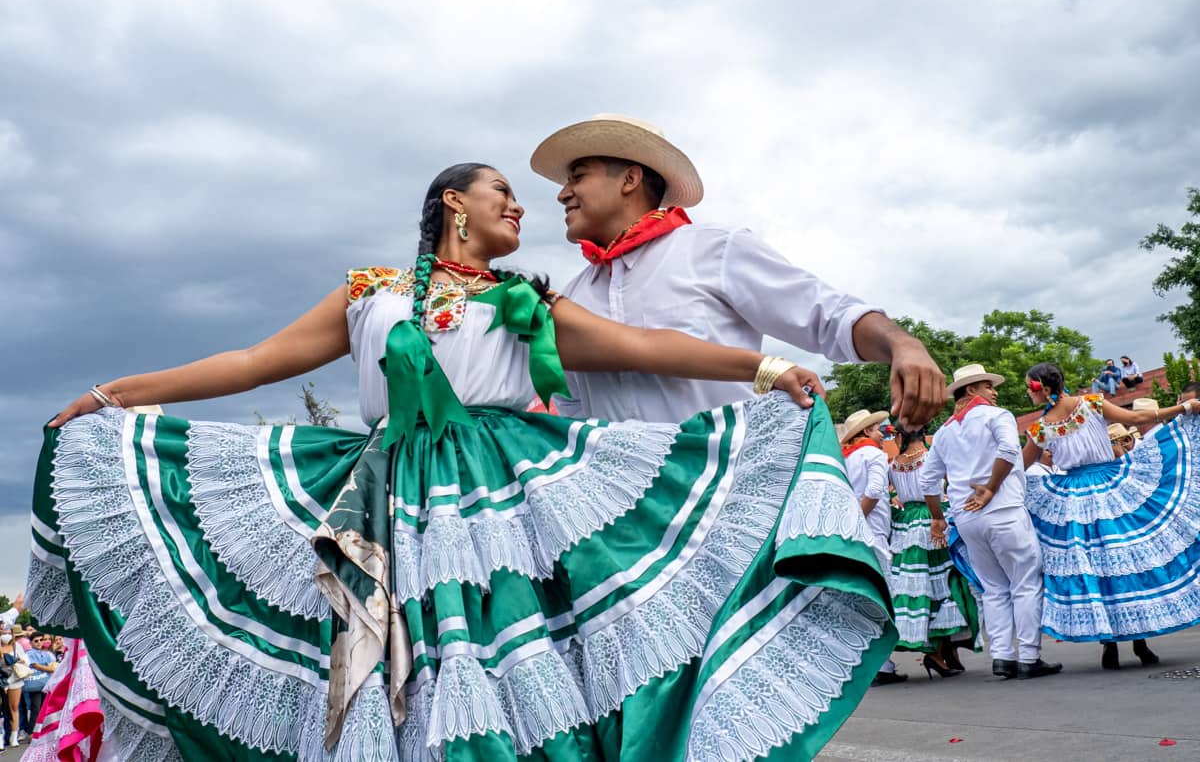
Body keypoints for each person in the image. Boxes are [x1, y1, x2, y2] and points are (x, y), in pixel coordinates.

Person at [32, 162, 895, 761]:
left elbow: (645, 345)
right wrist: (116, 393)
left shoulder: (530, 303)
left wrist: (763, 368)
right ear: (455, 203)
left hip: (502, 499)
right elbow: (254, 362)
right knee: (388, 666)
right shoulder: (369, 293)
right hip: (382, 493)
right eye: (504, 194)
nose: (521, 209)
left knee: (515, 666)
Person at [530, 113, 947, 429]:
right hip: (626, 509)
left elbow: (828, 316)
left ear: (630, 179)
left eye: (577, 177)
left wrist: (903, 345)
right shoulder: (573, 297)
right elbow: (572, 410)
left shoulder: (713, 250)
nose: (563, 194)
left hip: (725, 494)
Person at [1022, 362, 1200, 670]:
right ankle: (1133, 641)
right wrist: (1182, 408)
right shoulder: (1080, 408)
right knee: (1127, 560)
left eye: (1030, 387)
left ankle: (1116, 643)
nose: (1028, 393)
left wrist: (988, 487)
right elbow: (1137, 418)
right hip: (1107, 489)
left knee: (1098, 566)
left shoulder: (1046, 425)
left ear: (1045, 388)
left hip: (1078, 498)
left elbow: (1017, 469)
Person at [921, 364, 1060, 680]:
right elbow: (1010, 450)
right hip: (1003, 509)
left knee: (993, 588)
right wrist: (991, 487)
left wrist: (938, 518)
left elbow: (927, 481)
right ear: (971, 390)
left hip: (967, 518)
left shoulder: (943, 433)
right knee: (1025, 582)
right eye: (988, 386)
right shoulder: (998, 416)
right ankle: (1028, 656)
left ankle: (1002, 656)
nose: (994, 392)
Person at [887, 425, 980, 677]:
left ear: (901, 436)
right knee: (947, 583)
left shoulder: (894, 464)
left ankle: (946, 649)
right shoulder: (931, 458)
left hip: (907, 527)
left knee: (923, 587)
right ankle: (940, 652)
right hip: (933, 518)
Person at [839, 410, 906, 685]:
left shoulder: (845, 459)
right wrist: (860, 518)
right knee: (882, 594)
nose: (882, 434)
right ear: (866, 432)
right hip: (872, 531)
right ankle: (883, 666)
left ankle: (867, 663)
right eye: (878, 429)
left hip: (849, 532)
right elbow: (876, 490)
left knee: (860, 597)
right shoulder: (873, 455)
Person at [20, 634, 55, 739]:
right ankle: (31, 732)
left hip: (46, 683)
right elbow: (35, 665)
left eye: (41, 640)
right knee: (36, 708)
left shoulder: (47, 653)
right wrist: (49, 668)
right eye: (36, 641)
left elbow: (53, 664)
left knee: (45, 707)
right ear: (31, 643)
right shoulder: (29, 654)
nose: (39, 642)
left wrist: (51, 668)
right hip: (35, 684)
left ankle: (44, 730)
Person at [1, 627, 28, 749]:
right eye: (4, 632)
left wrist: (17, 660)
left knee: (14, 707)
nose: (6, 634)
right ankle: (1, 737)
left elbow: (26, 661)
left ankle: (13, 736)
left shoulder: (17, 646)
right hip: (1, 680)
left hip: (14, 679)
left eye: (8, 632)